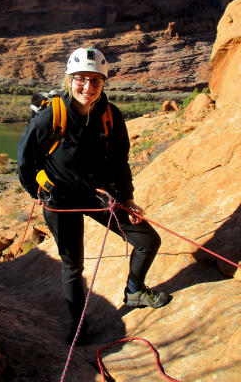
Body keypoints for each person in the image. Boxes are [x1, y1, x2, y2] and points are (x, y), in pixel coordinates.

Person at [17, 47, 170, 345]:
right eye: (81, 79)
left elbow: (120, 161)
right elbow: (25, 159)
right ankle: (78, 324)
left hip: (99, 197)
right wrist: (36, 191)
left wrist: (126, 198)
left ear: (104, 83)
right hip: (60, 201)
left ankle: (134, 291)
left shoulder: (110, 116)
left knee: (147, 240)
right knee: (73, 265)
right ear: (69, 80)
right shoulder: (51, 116)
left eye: (96, 81)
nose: (88, 87)